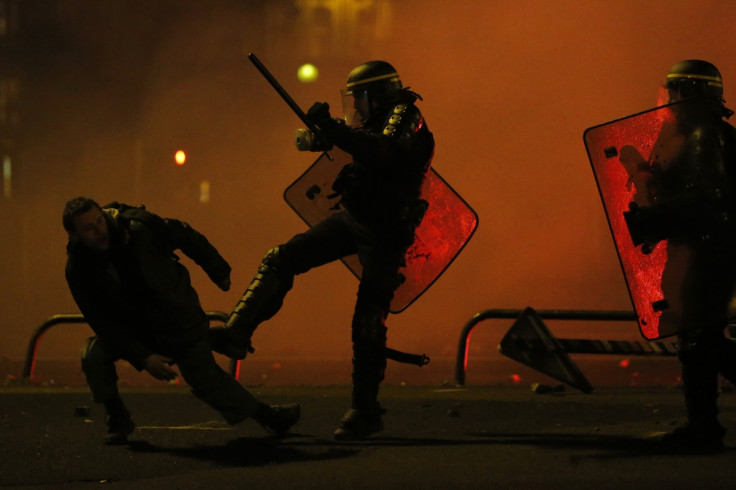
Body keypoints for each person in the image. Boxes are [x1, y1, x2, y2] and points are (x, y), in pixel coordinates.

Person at [210, 60, 434, 440]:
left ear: (378, 94)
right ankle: (237, 332)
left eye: (360, 98)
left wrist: (332, 128)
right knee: (281, 258)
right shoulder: (376, 121)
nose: (357, 107)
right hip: (355, 218)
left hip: (385, 232)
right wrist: (321, 136)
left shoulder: (406, 115)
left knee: (367, 322)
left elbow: (380, 151)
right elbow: (358, 141)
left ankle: (365, 411)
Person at [63, 197, 299, 445]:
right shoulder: (79, 267)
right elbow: (101, 321)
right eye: (89, 228)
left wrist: (218, 270)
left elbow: (184, 235)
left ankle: (269, 416)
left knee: (207, 382)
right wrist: (143, 356)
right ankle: (117, 416)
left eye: (100, 220)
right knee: (93, 353)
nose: (100, 230)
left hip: (178, 320)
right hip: (138, 331)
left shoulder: (139, 229)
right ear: (74, 235)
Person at [623, 60, 736, 453]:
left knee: (698, 338)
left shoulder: (705, 135)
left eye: (674, 91)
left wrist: (654, 220)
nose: (668, 100)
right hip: (702, 247)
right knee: (699, 336)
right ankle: (702, 427)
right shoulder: (696, 133)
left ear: (689, 91)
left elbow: (706, 198)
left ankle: (704, 430)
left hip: (709, 249)